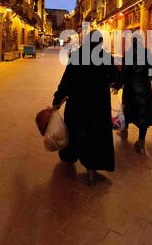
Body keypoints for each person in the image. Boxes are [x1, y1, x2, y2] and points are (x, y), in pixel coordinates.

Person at [52, 30, 122, 186]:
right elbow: (117, 79)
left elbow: (67, 81)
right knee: (95, 137)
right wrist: (112, 83)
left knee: (75, 132)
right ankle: (91, 172)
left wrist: (57, 99)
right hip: (98, 106)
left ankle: (70, 157)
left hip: (78, 104)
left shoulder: (77, 56)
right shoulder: (105, 57)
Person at [120, 34, 152, 155]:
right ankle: (141, 142)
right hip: (144, 90)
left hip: (130, 90)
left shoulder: (127, 54)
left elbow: (124, 73)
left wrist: (118, 85)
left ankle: (125, 130)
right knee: (143, 115)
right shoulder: (147, 54)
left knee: (127, 109)